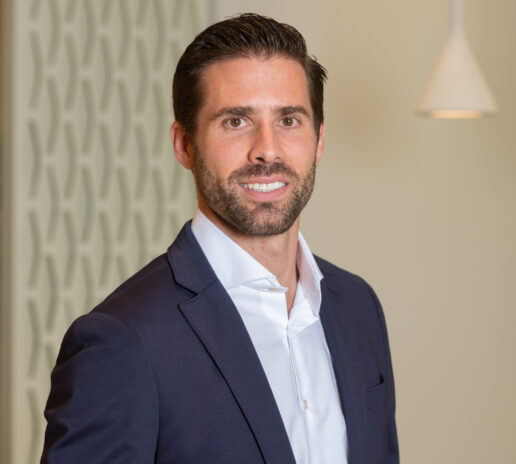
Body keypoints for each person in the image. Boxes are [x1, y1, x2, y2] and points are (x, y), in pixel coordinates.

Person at [40, 13, 398, 464]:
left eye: (289, 120)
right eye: (236, 121)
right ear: (184, 145)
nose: (267, 149)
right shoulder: (122, 342)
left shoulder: (358, 307)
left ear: (319, 141)